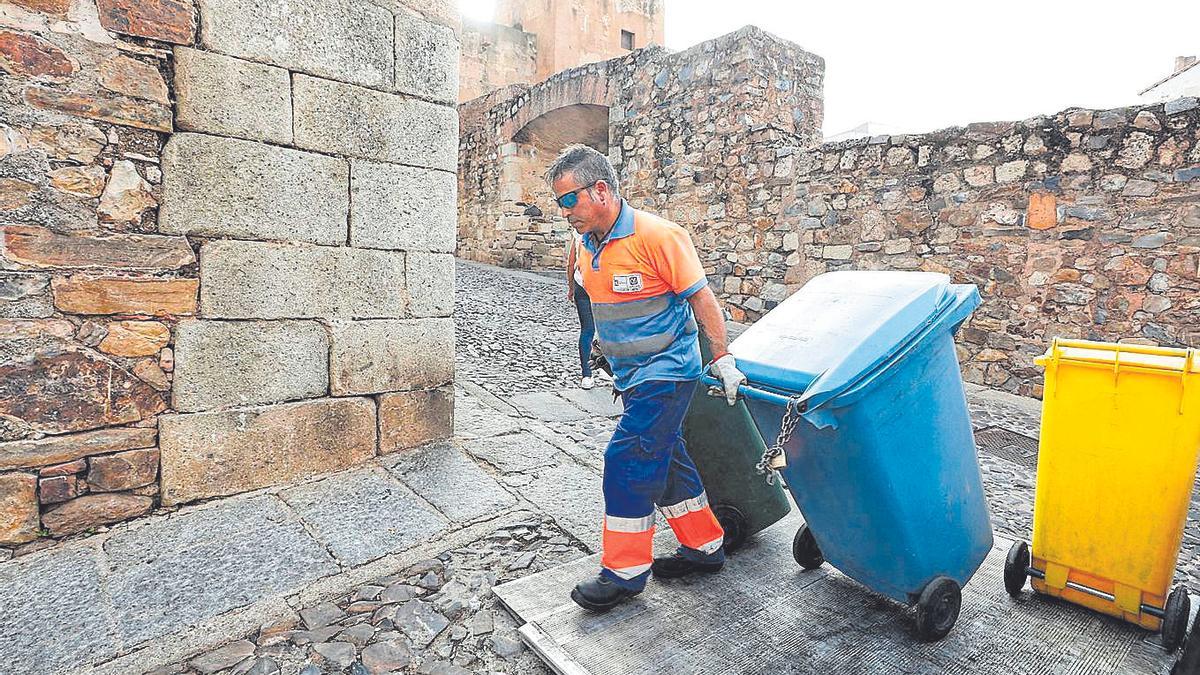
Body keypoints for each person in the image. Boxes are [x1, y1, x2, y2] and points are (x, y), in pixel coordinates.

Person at [545, 144, 748, 612]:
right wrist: (601, 345)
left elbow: (703, 302)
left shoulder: (660, 236)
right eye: (559, 203)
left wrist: (723, 358)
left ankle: (624, 571)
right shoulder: (583, 242)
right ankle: (706, 548)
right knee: (669, 463)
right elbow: (597, 300)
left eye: (568, 200)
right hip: (630, 376)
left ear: (600, 190)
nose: (564, 212)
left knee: (628, 461)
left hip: (668, 373)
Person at [566, 230, 598, 389]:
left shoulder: (579, 233)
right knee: (612, 329)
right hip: (605, 284)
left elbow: (571, 262)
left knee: (587, 330)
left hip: (582, 283)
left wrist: (571, 287)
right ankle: (616, 372)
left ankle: (586, 375)